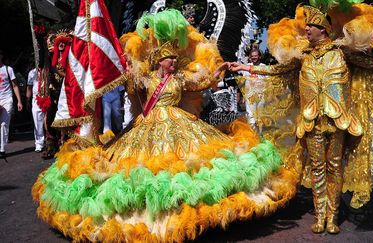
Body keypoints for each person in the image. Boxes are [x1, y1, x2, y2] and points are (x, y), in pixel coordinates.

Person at [32, 10, 299, 242]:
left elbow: (201, 83)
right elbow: (122, 77)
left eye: (174, 58)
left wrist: (220, 71)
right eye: (169, 59)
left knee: (191, 165)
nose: (174, 62)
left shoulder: (180, 78)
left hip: (182, 125)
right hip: (147, 127)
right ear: (159, 60)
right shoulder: (144, 79)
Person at [230, 3, 373, 234]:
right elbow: (277, 70)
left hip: (338, 121)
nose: (306, 30)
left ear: (323, 29)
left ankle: (333, 216)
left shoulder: (342, 53)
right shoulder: (302, 57)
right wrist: (245, 67)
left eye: (311, 26)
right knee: (317, 167)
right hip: (311, 122)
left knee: (334, 167)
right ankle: (320, 215)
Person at [0, 50, 23, 156]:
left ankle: (2, 149)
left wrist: (19, 101)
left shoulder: (8, 69)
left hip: (7, 99)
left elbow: (15, 85)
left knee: (4, 124)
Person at [239, 48, 266, 132]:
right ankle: (253, 134)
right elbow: (243, 81)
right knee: (250, 116)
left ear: (259, 56)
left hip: (261, 95)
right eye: (252, 56)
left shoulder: (264, 67)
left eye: (256, 56)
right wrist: (243, 94)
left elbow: (268, 82)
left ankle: (261, 134)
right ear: (250, 57)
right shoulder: (247, 67)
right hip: (250, 95)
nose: (254, 58)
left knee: (260, 115)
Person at [26, 67, 44, 152]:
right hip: (36, 100)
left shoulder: (49, 70)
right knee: (37, 122)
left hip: (49, 98)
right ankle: (39, 143)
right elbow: (29, 87)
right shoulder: (32, 72)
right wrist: (27, 100)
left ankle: (51, 141)